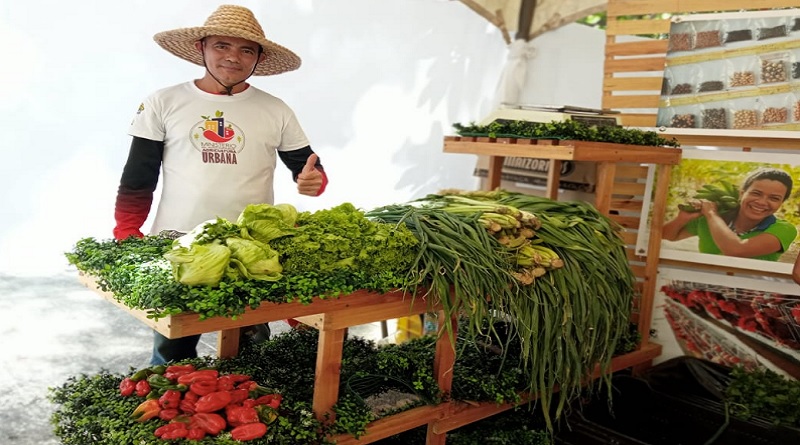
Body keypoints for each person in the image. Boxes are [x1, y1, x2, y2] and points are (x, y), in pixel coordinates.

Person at [112, 4, 328, 365]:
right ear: (201, 48)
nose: (233, 57)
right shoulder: (163, 102)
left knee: (251, 346)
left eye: (246, 49)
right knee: (173, 349)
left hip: (252, 249)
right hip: (178, 243)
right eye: (222, 46)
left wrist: (312, 182)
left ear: (259, 57)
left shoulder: (276, 110)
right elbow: (138, 177)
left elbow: (308, 170)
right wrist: (126, 230)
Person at [662, 167, 795, 262]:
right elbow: (666, 236)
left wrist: (711, 213)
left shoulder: (784, 229)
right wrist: (682, 218)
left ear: (781, 202)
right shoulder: (710, 219)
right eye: (756, 193)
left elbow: (736, 250)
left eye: (774, 198)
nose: (762, 202)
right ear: (742, 194)